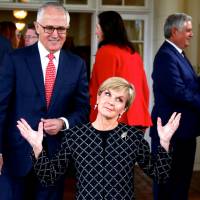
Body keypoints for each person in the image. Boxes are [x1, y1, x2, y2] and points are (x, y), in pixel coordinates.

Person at [17, 77, 181, 200]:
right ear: (98, 98)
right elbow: (49, 176)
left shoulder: (133, 137)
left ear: (123, 109)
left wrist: (165, 142)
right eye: (108, 94)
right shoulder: (75, 135)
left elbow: (161, 175)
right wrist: (37, 146)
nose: (111, 102)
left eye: (119, 99)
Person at [0, 2, 89, 200]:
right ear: (37, 27)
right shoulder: (15, 59)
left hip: (54, 160)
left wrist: (63, 123)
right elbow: (1, 108)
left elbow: (83, 109)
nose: (55, 34)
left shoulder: (77, 65)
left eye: (61, 28)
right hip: (15, 157)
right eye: (49, 27)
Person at [150, 13, 200, 200]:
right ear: (174, 31)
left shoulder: (177, 54)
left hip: (184, 133)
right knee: (168, 187)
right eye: (188, 30)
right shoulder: (165, 56)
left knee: (180, 186)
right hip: (171, 135)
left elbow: (191, 84)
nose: (191, 34)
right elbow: (178, 92)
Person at [89, 11, 152, 129]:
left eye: (98, 27)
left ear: (106, 29)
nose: (96, 32)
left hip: (116, 121)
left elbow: (105, 90)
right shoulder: (133, 54)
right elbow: (144, 90)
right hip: (138, 118)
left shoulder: (106, 52)